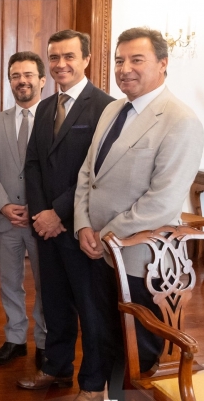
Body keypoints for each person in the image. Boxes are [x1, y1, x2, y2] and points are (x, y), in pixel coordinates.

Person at [74, 27, 204, 400]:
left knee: (141, 347)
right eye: (119, 60)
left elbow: (161, 201)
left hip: (140, 258)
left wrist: (104, 236)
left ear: (163, 64)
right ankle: (97, 390)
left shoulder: (181, 120)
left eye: (136, 59)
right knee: (99, 328)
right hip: (96, 246)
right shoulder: (114, 108)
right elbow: (89, 173)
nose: (124, 68)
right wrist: (83, 224)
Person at [17, 30, 114, 401]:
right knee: (55, 302)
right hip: (48, 228)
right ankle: (56, 369)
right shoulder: (44, 106)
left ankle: (93, 385)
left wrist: (58, 212)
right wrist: (42, 214)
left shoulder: (105, 106)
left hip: (82, 228)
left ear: (86, 59)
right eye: (54, 58)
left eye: (69, 57)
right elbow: (34, 164)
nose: (60, 65)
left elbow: (98, 172)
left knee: (90, 309)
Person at [0, 51, 47, 368]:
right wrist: (4, 205)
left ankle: (45, 342)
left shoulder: (53, 119)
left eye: (28, 74)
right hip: (6, 220)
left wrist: (39, 207)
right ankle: (15, 339)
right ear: (9, 82)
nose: (22, 80)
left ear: (42, 80)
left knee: (47, 285)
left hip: (44, 221)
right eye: (15, 76)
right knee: (9, 283)